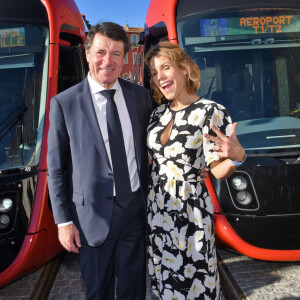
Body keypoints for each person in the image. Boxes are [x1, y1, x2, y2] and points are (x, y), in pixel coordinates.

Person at [47, 22, 153, 300]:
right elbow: (57, 169)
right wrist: (63, 222)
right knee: (98, 292)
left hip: (134, 211)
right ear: (87, 54)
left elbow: (156, 144)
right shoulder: (64, 103)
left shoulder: (140, 97)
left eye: (117, 53)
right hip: (90, 218)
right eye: (101, 52)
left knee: (134, 290)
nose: (108, 61)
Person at [145, 41, 246, 299]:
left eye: (165, 68)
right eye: (154, 73)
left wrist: (237, 157)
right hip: (157, 212)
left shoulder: (210, 111)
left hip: (191, 213)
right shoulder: (156, 115)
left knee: (197, 282)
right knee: (165, 285)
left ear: (183, 69)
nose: (159, 77)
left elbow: (217, 170)